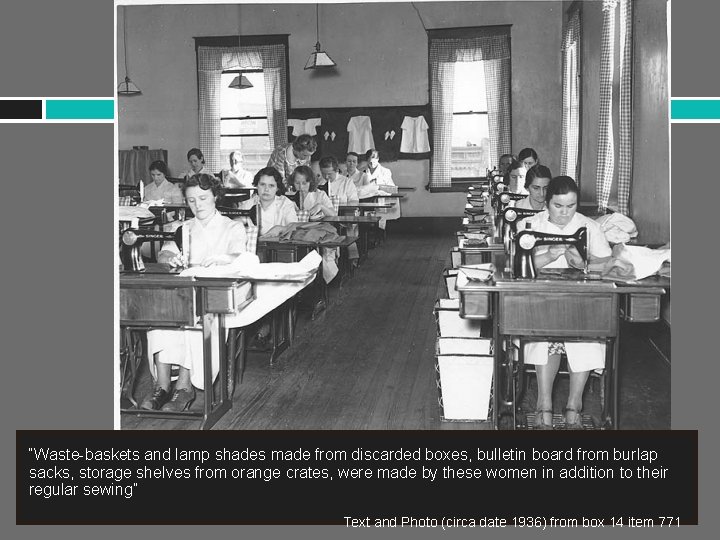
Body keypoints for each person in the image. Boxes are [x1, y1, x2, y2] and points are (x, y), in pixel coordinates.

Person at [141, 173, 248, 412]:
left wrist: (218, 260)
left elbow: (240, 257)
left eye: (202, 198)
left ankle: (184, 387)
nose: (197, 205)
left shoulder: (233, 227)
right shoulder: (183, 228)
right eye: (191, 200)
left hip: (215, 298)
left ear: (215, 197)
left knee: (191, 324)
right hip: (184, 294)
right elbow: (165, 254)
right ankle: (161, 386)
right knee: (160, 323)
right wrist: (171, 258)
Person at [517, 176, 612, 430]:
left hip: (580, 300)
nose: (565, 213)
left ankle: (574, 406)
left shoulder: (589, 226)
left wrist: (584, 263)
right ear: (547, 203)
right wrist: (548, 255)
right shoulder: (530, 224)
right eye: (558, 206)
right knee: (541, 335)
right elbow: (519, 268)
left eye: (571, 206)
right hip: (540, 299)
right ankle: (543, 405)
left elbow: (607, 266)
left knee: (587, 336)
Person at [240, 167, 298, 237]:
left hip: (280, 247)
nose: (266, 189)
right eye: (262, 184)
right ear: (256, 185)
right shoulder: (247, 205)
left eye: (271, 186)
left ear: (277, 188)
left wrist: (281, 228)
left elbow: (294, 227)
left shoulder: (285, 204)